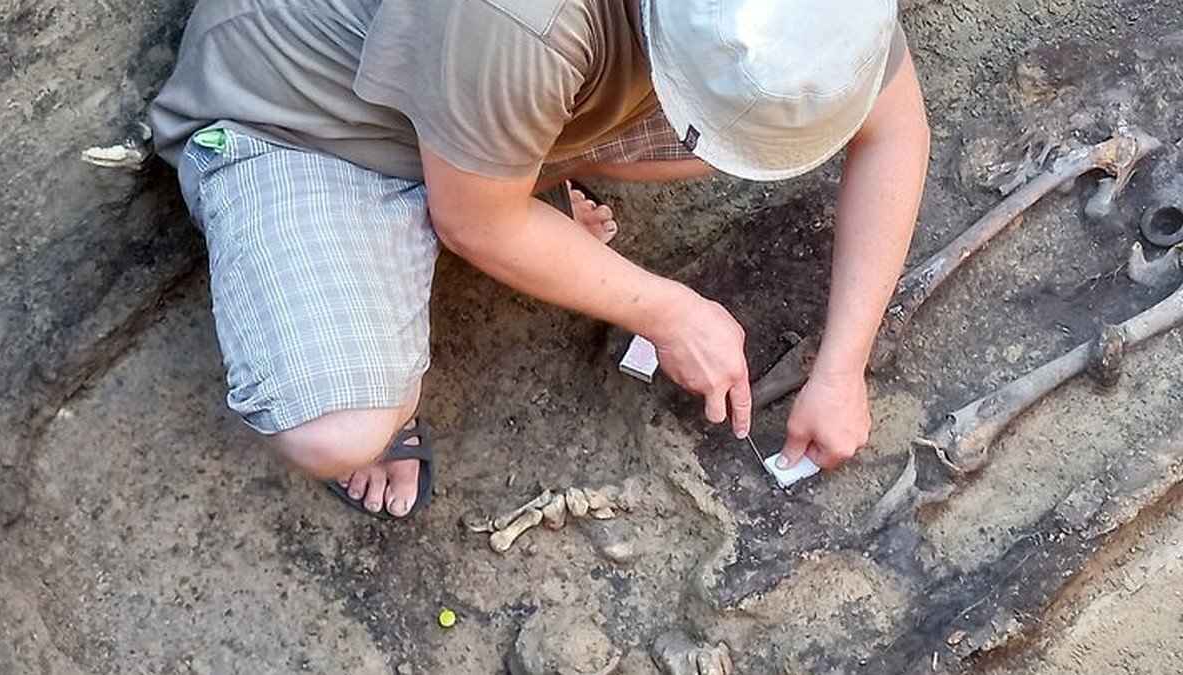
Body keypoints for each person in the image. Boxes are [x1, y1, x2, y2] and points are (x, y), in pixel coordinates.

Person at [149, 0, 929, 519]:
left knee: (785, 130)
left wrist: (842, 364)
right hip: (308, 121)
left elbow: (891, 125)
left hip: (497, 77)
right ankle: (448, 216)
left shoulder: (800, 14)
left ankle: (507, 171)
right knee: (337, 429)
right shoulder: (523, 18)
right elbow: (473, 225)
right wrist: (666, 308)